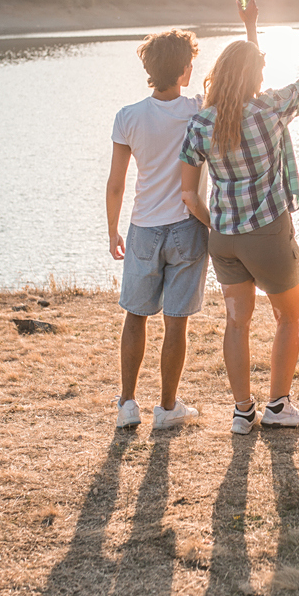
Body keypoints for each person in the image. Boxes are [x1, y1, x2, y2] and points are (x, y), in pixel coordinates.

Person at [179, 0, 299, 435]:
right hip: (267, 233)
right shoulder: (269, 109)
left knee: (236, 321)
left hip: (223, 239)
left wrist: (219, 224)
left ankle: (243, 412)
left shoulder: (201, 123)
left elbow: (190, 196)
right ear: (253, 78)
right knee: (288, 316)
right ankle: (278, 406)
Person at [107, 29, 208, 431]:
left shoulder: (128, 116)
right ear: (185, 71)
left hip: (143, 229)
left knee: (135, 315)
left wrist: (112, 230)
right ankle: (167, 408)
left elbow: (116, 183)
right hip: (187, 227)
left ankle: (128, 404)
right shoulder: (198, 110)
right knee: (176, 321)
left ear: (149, 70)